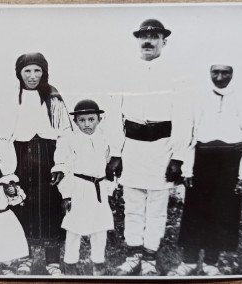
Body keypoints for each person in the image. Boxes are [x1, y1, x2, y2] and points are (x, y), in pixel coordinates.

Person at [106, 19, 192, 276]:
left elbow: (183, 117)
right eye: (143, 36)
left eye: (154, 36)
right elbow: (114, 115)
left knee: (156, 208)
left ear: (164, 41)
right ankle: (133, 256)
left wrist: (178, 157)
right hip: (132, 148)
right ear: (137, 41)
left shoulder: (177, 74)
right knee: (133, 206)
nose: (148, 41)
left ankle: (150, 260)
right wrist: (116, 153)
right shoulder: (124, 73)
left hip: (162, 149)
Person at [0, 52, 73, 276]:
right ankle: (24, 259)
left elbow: (65, 133)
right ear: (19, 72)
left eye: (37, 70)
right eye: (27, 70)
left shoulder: (53, 97)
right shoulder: (12, 98)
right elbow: (2, 136)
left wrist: (60, 165)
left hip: (48, 157)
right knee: (21, 206)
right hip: (21, 158)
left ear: (44, 72)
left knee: (50, 207)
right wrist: (8, 172)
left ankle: (53, 262)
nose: (32, 75)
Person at [174, 63, 242, 275]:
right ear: (208, 72)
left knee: (223, 211)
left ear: (234, 73)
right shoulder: (198, 97)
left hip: (231, 160)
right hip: (203, 158)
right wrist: (188, 169)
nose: (220, 76)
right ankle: (188, 261)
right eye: (215, 72)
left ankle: (211, 262)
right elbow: (190, 133)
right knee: (194, 210)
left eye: (226, 72)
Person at [51, 99, 116, 276]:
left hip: (99, 189)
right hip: (78, 188)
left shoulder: (104, 139)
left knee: (99, 228)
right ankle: (70, 265)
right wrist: (66, 195)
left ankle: (98, 265)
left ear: (99, 119)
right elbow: (63, 166)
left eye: (91, 119)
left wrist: (109, 187)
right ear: (76, 121)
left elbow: (110, 165)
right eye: (82, 120)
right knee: (74, 229)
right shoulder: (69, 140)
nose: (87, 124)